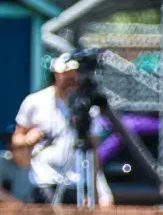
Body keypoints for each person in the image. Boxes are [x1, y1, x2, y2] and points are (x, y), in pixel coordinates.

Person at [11, 53, 113, 206]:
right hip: (44, 181)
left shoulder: (88, 106)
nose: (71, 77)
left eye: (74, 73)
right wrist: (28, 140)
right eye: (66, 74)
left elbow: (93, 151)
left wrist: (100, 190)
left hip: (77, 183)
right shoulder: (35, 101)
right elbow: (16, 140)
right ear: (56, 74)